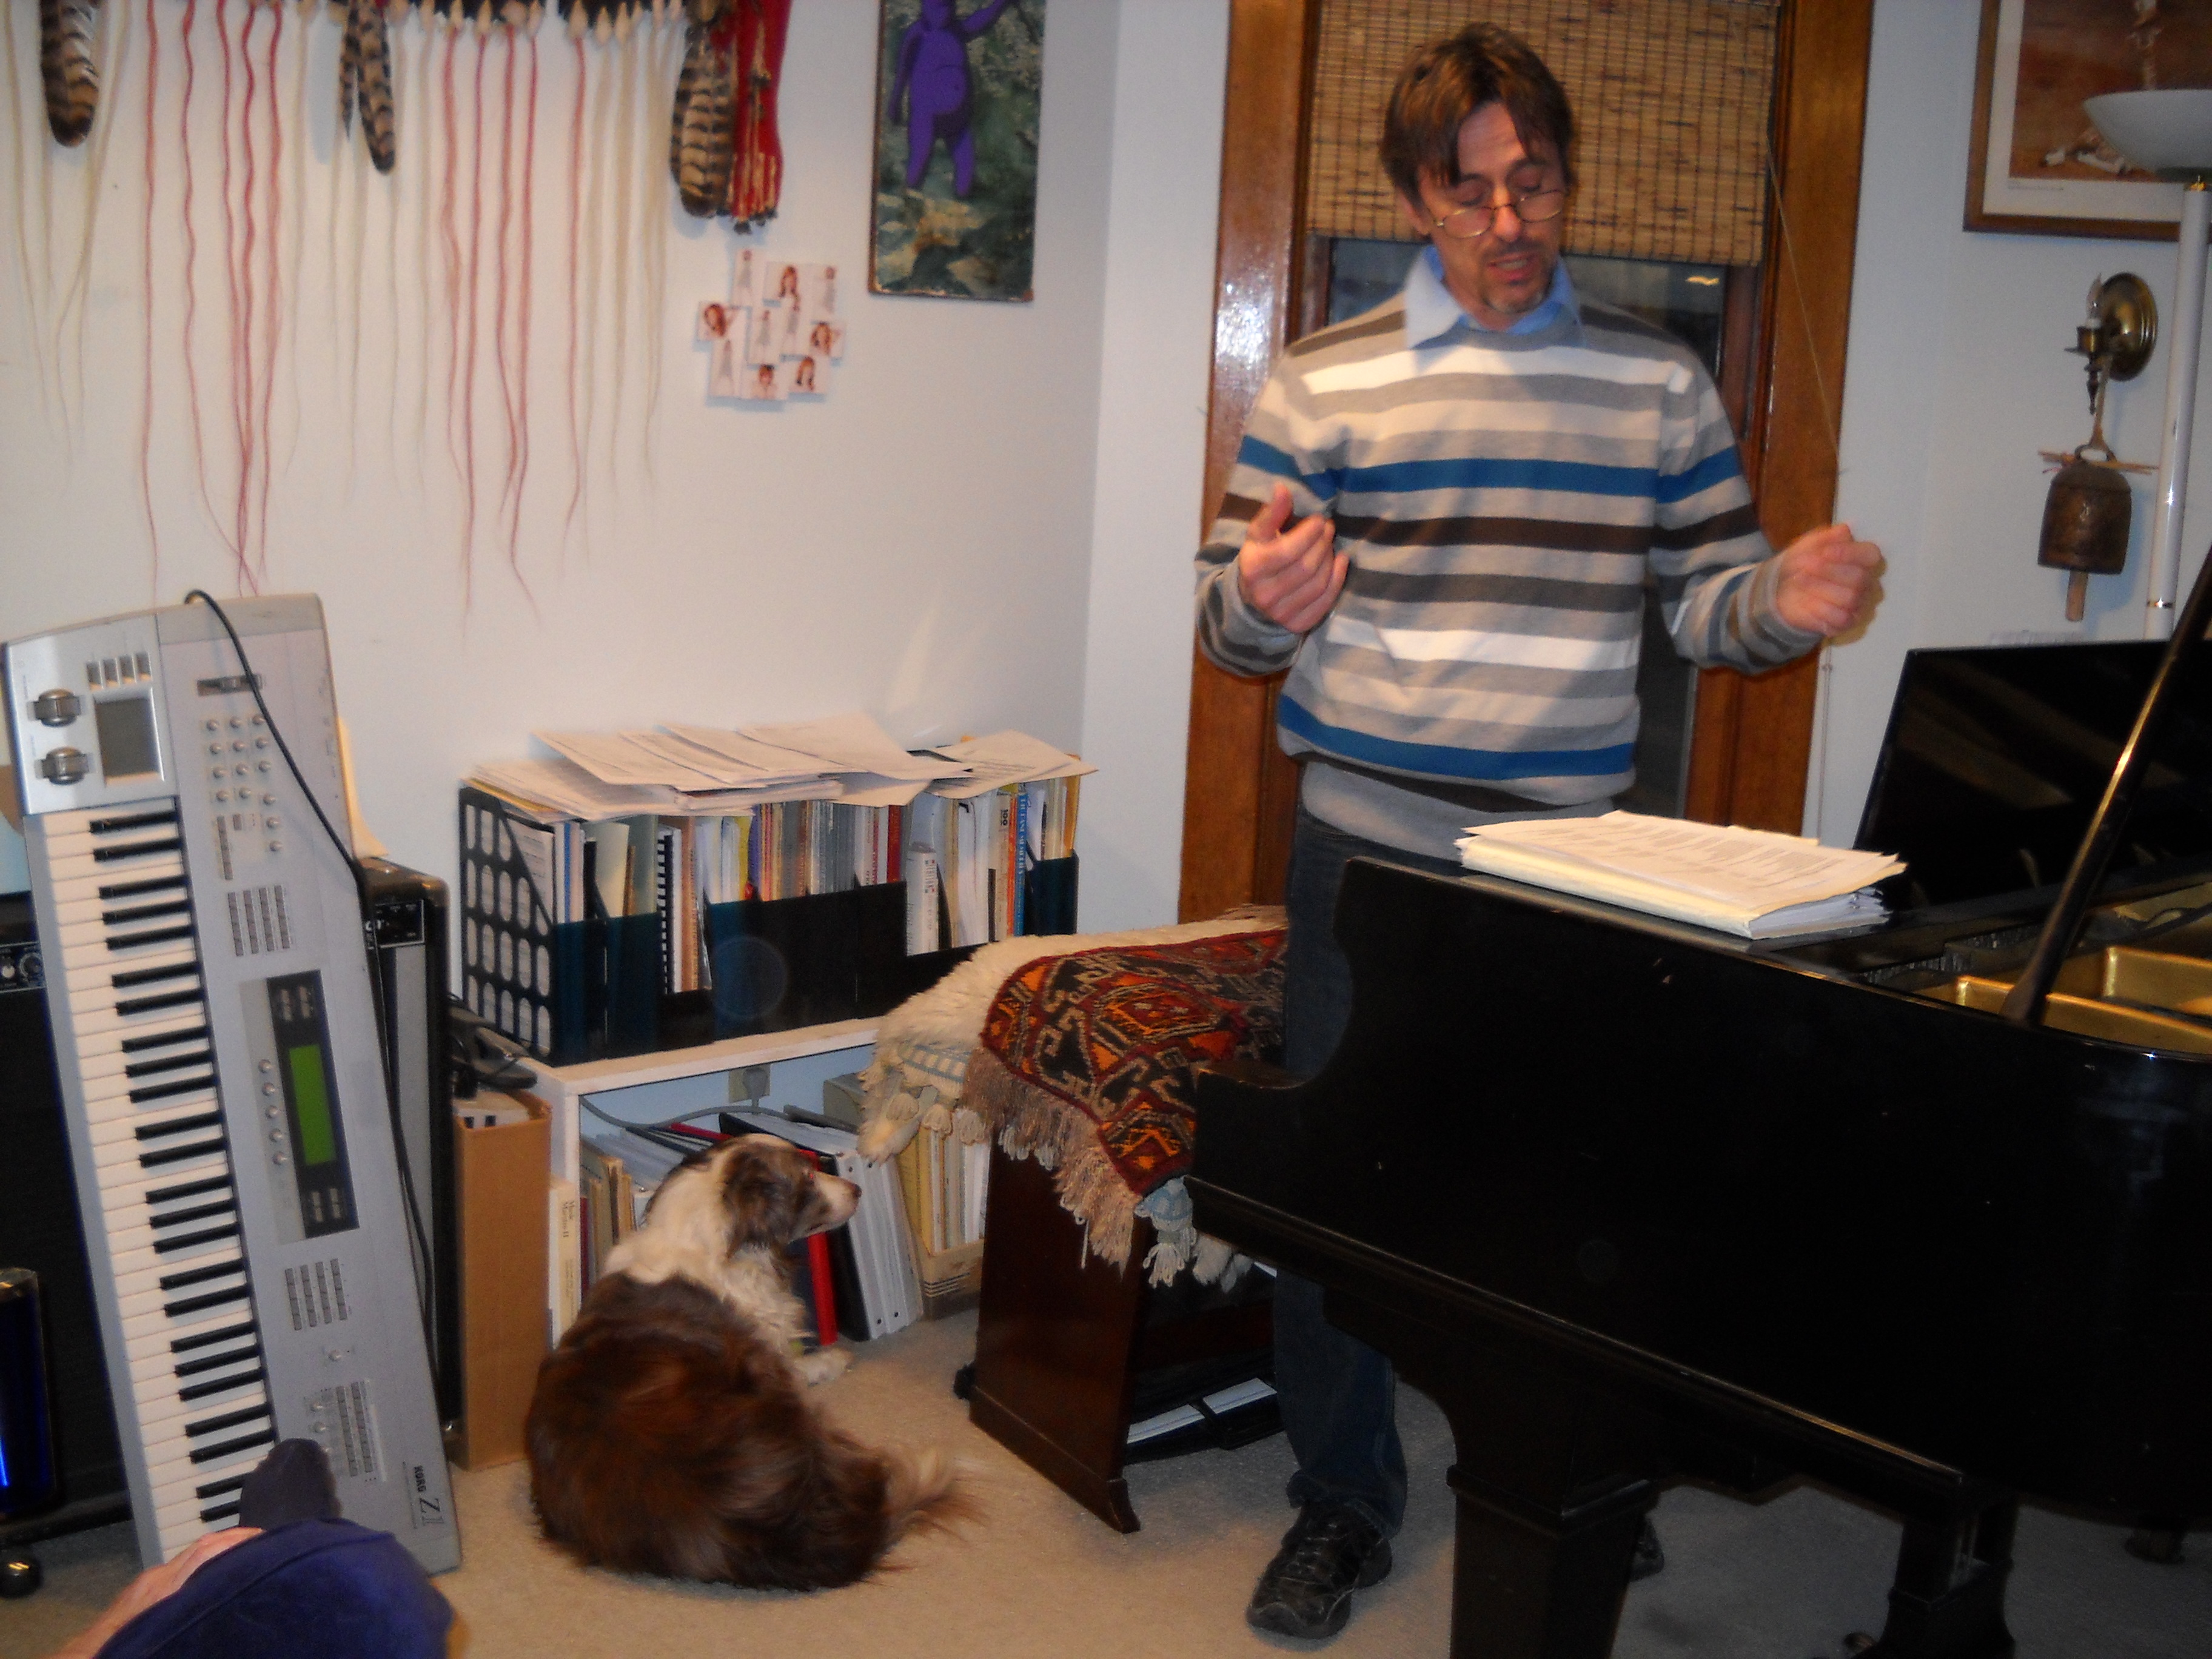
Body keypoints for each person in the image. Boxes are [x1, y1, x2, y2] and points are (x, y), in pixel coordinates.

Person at [1192, 24, 1879, 1643]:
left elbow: (1709, 606)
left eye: (1537, 184)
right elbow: (1228, 622)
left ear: (1568, 182)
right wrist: (1260, 599)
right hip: (1365, 854)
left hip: (1570, 870)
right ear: (1416, 199)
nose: (1508, 222)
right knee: (1340, 1189)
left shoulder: (1658, 381)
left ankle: (1563, 1484)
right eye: (1471, 191)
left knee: (1562, 1203)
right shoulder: (1325, 377)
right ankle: (1343, 1501)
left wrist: (1781, 603)